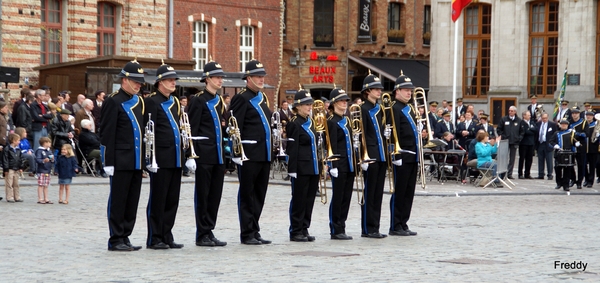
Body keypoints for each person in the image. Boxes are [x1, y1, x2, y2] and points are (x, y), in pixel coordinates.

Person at [100, 58, 146, 252]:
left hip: (135, 160)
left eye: (140, 82)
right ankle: (115, 238)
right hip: (120, 159)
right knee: (119, 200)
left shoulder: (138, 101)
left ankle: (126, 235)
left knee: (132, 200)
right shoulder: (113, 100)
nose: (138, 85)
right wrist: (108, 160)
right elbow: (107, 133)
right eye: (135, 81)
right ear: (124, 80)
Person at [228, 59, 273, 245]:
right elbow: (233, 127)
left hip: (264, 152)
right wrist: (236, 153)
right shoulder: (241, 98)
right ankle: (246, 232)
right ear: (248, 78)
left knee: (260, 194)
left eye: (262, 76)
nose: (261, 79)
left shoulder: (262, 98)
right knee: (248, 194)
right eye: (257, 76)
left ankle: (255, 229)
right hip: (249, 153)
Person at [143, 62, 186, 250]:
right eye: (169, 80)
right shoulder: (152, 101)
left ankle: (167, 234)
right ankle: (155, 237)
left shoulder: (175, 101)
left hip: (175, 156)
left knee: (172, 200)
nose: (173, 83)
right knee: (158, 199)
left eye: (174, 80)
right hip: (160, 157)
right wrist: (149, 158)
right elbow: (149, 130)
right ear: (160, 82)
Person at [186, 60, 228, 247]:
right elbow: (191, 129)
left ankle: (209, 230)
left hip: (218, 154)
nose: (220, 81)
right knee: (203, 195)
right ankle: (201, 233)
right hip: (204, 154)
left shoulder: (219, 101)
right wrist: (190, 154)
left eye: (221, 77)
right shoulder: (198, 100)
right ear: (207, 79)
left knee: (215, 196)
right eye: (217, 77)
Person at [286, 88, 319, 242]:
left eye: (310, 104)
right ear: (298, 106)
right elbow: (292, 147)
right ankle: (295, 230)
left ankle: (304, 228)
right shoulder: (294, 123)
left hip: (312, 166)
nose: (309, 107)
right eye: (306, 104)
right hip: (300, 167)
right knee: (299, 199)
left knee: (309, 199)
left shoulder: (310, 122)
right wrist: (292, 169)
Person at [388, 73, 419, 236]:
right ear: (397, 91)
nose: (409, 93)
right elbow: (393, 134)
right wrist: (395, 156)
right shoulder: (394, 108)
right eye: (406, 90)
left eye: (410, 90)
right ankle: (395, 224)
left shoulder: (410, 108)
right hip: (401, 155)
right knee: (399, 192)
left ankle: (403, 222)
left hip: (413, 154)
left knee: (408, 192)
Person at [359, 72, 387, 239]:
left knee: (377, 193)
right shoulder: (363, 109)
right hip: (370, 155)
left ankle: (375, 226)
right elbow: (361, 135)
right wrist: (363, 156)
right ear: (367, 91)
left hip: (381, 154)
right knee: (369, 193)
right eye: (375, 89)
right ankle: (367, 228)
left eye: (379, 89)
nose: (379, 91)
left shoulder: (380, 109)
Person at [326, 87, 354, 240]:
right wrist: (332, 165)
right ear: (334, 103)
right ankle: (335, 228)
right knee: (338, 197)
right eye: (341, 100)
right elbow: (331, 145)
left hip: (349, 163)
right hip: (339, 163)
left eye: (345, 101)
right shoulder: (331, 121)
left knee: (346, 197)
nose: (344, 103)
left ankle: (342, 225)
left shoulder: (347, 120)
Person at [496, 105, 523, 179]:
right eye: (509, 111)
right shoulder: (504, 119)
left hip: (514, 142)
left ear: (515, 112)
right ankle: (503, 173)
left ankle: (509, 173)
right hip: (505, 141)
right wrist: (502, 136)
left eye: (511, 111)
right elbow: (499, 129)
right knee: (504, 157)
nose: (510, 112)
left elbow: (522, 131)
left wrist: (519, 138)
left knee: (512, 158)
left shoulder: (519, 120)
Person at [550, 119, 576, 191]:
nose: (564, 125)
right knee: (558, 169)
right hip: (559, 153)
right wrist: (555, 145)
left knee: (567, 170)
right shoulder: (556, 133)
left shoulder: (571, 133)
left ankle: (566, 185)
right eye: (562, 124)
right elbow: (550, 142)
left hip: (568, 153)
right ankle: (559, 183)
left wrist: (576, 143)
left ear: (567, 125)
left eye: (565, 124)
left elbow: (574, 142)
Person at [568, 107, 588, 189]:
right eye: (573, 113)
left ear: (579, 114)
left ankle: (579, 181)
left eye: (576, 113)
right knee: (570, 164)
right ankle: (573, 179)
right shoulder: (569, 122)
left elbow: (586, 134)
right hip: (571, 146)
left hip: (581, 145)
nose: (574, 115)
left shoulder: (584, 122)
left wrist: (577, 133)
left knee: (581, 164)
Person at [3, 133, 25, 203]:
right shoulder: (7, 149)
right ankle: (9, 197)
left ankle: (17, 196)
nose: (19, 142)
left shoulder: (18, 149)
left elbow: (21, 159)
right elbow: (5, 159)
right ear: (13, 141)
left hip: (17, 168)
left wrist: (21, 167)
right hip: (10, 168)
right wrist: (6, 169)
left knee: (16, 184)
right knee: (9, 184)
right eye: (18, 140)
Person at [535, 113, 556, 180]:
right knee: (540, 159)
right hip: (540, 143)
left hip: (548, 144)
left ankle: (550, 174)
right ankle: (540, 174)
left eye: (545, 118)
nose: (544, 119)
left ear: (548, 117)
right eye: (543, 118)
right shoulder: (538, 124)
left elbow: (555, 134)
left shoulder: (552, 124)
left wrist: (553, 143)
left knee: (549, 160)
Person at [518, 110, 537, 179]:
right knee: (522, 158)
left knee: (529, 159)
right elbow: (525, 132)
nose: (530, 116)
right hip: (523, 143)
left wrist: (530, 129)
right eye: (528, 115)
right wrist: (530, 130)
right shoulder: (521, 123)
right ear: (524, 116)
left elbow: (536, 130)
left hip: (531, 143)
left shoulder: (532, 122)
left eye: (530, 115)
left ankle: (527, 173)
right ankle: (520, 173)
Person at [35, 137, 54, 204]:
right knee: (40, 185)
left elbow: (52, 159)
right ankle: (40, 198)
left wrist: (52, 159)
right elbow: (37, 159)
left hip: (48, 170)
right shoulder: (39, 150)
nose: (50, 144)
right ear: (44, 143)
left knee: (46, 185)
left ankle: (46, 198)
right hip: (41, 170)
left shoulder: (49, 151)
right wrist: (43, 160)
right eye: (48, 142)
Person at [584, 111, 598, 188]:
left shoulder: (596, 125)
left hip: (593, 148)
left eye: (590, 116)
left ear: (593, 117)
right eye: (587, 115)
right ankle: (586, 179)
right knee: (584, 165)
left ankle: (590, 181)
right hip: (584, 147)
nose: (588, 117)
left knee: (592, 166)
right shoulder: (584, 124)